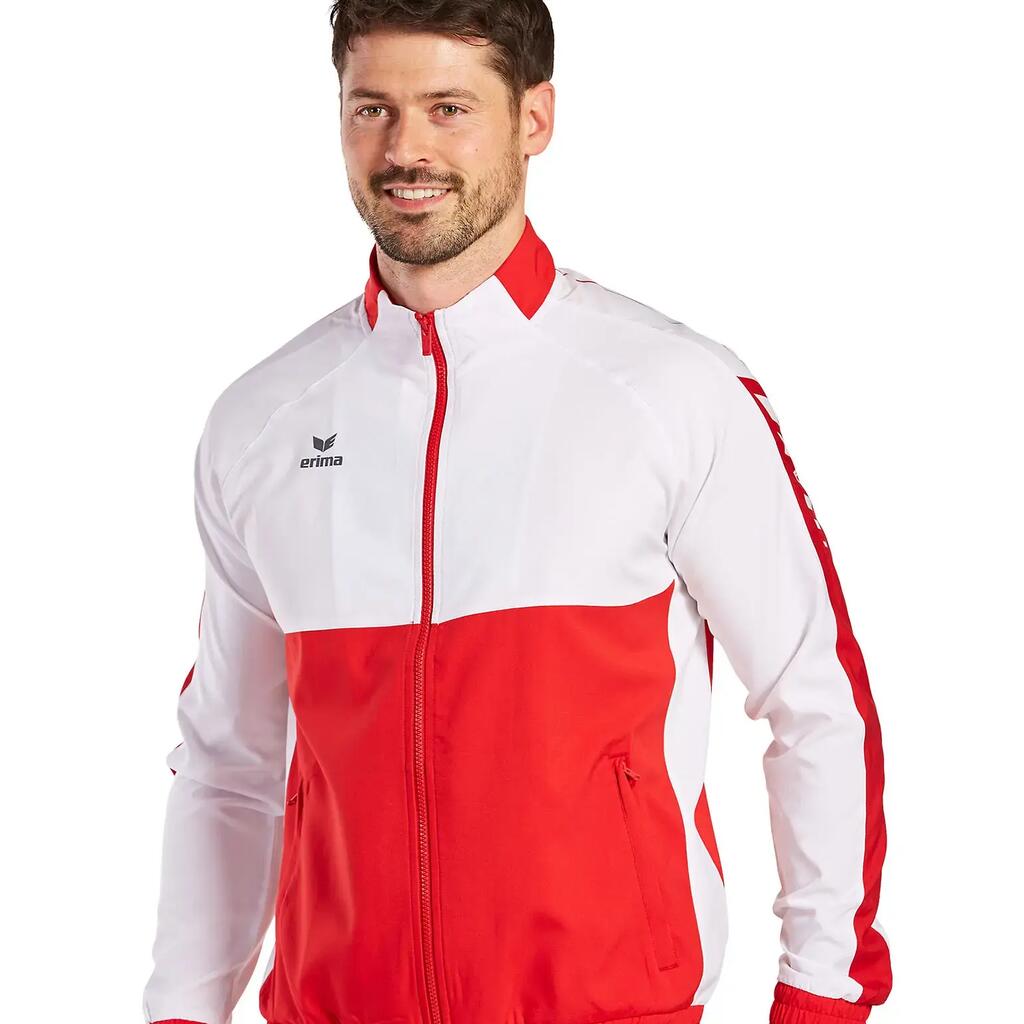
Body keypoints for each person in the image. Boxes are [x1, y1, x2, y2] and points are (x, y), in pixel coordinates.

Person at [142, 3, 893, 1023]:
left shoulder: (671, 390)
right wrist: (182, 1009)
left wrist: (821, 992)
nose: (404, 149)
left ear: (534, 118)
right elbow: (228, 759)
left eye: (448, 108)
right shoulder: (262, 422)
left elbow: (812, 694)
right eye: (372, 108)